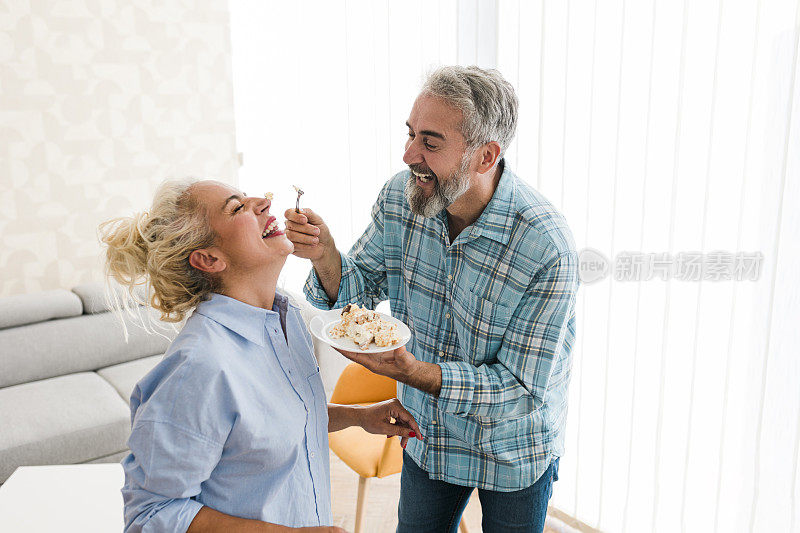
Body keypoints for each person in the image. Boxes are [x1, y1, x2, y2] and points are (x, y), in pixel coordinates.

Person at [284, 66, 579, 533]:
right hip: (428, 433)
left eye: (430, 142)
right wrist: (324, 255)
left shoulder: (544, 247)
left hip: (512, 447)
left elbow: (520, 391)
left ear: (486, 156)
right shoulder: (402, 198)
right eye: (410, 134)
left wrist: (408, 371)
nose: (408, 155)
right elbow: (358, 290)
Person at [99, 178, 422, 533]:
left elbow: (264, 425)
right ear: (209, 259)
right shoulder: (198, 366)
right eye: (237, 208)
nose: (263, 203)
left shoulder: (287, 319)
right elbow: (150, 515)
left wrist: (358, 417)